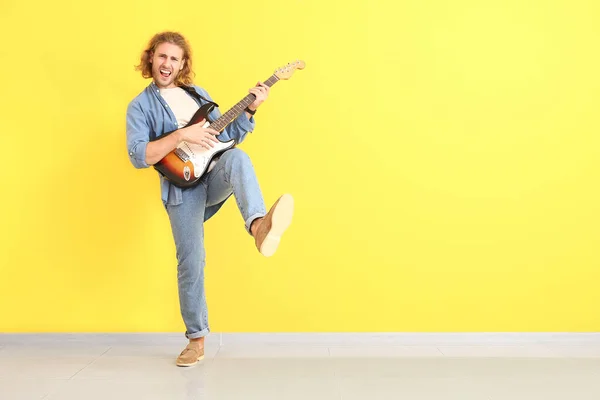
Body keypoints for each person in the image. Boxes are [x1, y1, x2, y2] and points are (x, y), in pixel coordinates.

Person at [125, 31, 294, 367]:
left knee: (238, 159)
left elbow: (226, 137)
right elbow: (138, 155)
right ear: (151, 59)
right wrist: (180, 135)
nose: (167, 64)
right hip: (181, 189)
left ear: (183, 64)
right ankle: (196, 340)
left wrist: (251, 110)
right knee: (192, 262)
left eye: (174, 58)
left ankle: (258, 225)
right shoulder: (140, 106)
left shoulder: (197, 94)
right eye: (162, 57)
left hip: (213, 174)